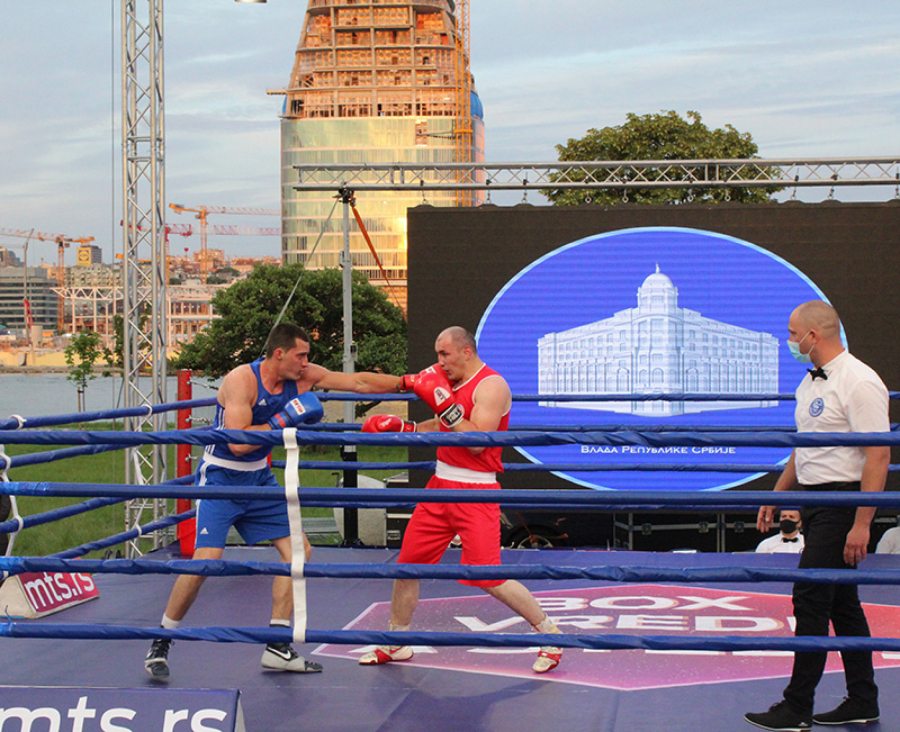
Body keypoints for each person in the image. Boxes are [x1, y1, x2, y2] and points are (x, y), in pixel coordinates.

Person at [145, 323, 404, 679]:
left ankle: (278, 645)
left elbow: (358, 382)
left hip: (260, 479)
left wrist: (408, 382)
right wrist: (284, 419)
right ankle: (161, 639)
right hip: (222, 477)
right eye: (301, 355)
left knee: (299, 552)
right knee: (206, 561)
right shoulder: (242, 380)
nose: (306, 362)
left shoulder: (302, 376)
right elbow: (238, 443)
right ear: (279, 354)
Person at [358, 326, 563, 674]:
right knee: (407, 565)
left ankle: (552, 635)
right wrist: (406, 428)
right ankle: (396, 640)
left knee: (488, 576)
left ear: (466, 351)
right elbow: (443, 425)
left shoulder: (492, 386)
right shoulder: (450, 384)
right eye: (437, 354)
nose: (439, 362)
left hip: (475, 491)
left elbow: (477, 442)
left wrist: (445, 404)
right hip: (439, 486)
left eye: (445, 354)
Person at [745, 301, 890, 731]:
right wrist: (778, 493)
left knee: (810, 596)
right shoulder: (809, 383)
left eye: (793, 333)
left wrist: (862, 523)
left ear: (814, 335)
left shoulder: (859, 381)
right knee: (843, 604)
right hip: (814, 501)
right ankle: (863, 699)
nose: (789, 341)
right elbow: (804, 446)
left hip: (842, 504)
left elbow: (879, 455)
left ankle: (797, 706)